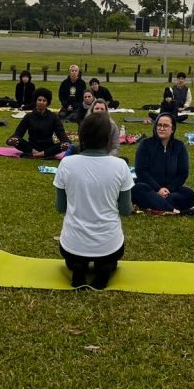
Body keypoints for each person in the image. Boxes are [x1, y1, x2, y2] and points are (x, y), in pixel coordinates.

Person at [54, 113, 134, 289]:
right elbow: (126, 210)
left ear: (82, 136)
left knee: (74, 260)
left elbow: (60, 207)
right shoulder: (120, 165)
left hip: (72, 245)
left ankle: (78, 270)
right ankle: (103, 271)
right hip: (109, 246)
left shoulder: (67, 164)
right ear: (108, 138)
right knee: (108, 260)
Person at [133, 112, 194, 214]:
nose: (161, 128)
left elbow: (183, 173)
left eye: (166, 126)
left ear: (172, 129)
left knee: (189, 195)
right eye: (159, 125)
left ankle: (159, 204)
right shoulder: (145, 144)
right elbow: (141, 171)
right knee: (138, 189)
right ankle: (173, 209)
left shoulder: (179, 146)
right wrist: (158, 189)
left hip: (170, 191)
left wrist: (168, 189)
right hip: (150, 188)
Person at [7, 88, 71, 157]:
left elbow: (61, 134)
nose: (41, 102)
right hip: (32, 147)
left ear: (47, 103)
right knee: (17, 141)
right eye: (39, 100)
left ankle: (36, 155)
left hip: (48, 147)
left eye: (44, 101)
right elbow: (18, 133)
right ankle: (40, 154)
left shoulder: (53, 117)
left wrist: (66, 143)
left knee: (62, 145)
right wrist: (11, 140)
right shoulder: (29, 116)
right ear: (36, 101)